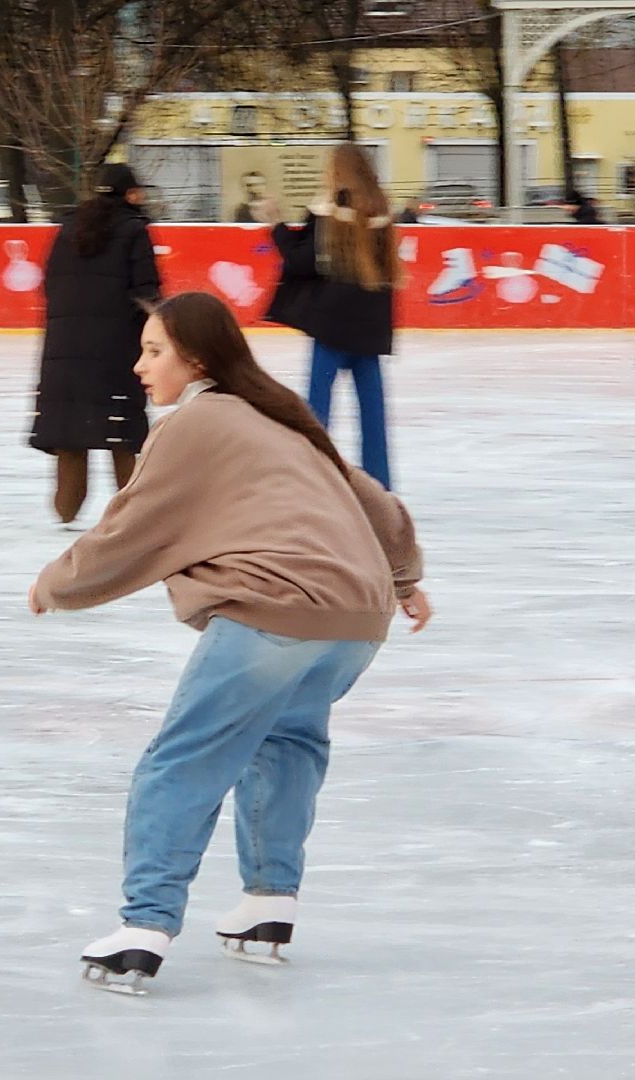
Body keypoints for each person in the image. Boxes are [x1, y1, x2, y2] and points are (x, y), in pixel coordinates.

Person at [29, 291, 430, 994]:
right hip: (356, 620)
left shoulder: (199, 422)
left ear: (198, 358)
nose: (140, 365)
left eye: (155, 352)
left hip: (273, 610)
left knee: (183, 759)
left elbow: (132, 525)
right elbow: (377, 502)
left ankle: (144, 928)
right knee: (288, 742)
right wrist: (403, 580)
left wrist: (58, 584)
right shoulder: (284, 420)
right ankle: (269, 904)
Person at [261, 143, 399, 490]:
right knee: (373, 416)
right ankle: (380, 488)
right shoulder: (380, 209)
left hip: (333, 324)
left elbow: (299, 261)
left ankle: (312, 481)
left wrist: (275, 223)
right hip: (370, 325)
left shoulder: (329, 210)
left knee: (316, 413)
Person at [30, 162, 162, 526]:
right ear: (130, 194)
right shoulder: (134, 231)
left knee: (72, 433)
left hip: (65, 354)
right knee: (121, 433)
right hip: (115, 352)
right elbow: (146, 292)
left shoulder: (67, 229)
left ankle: (65, 511)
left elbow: (50, 285)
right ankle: (135, 518)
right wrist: (165, 330)